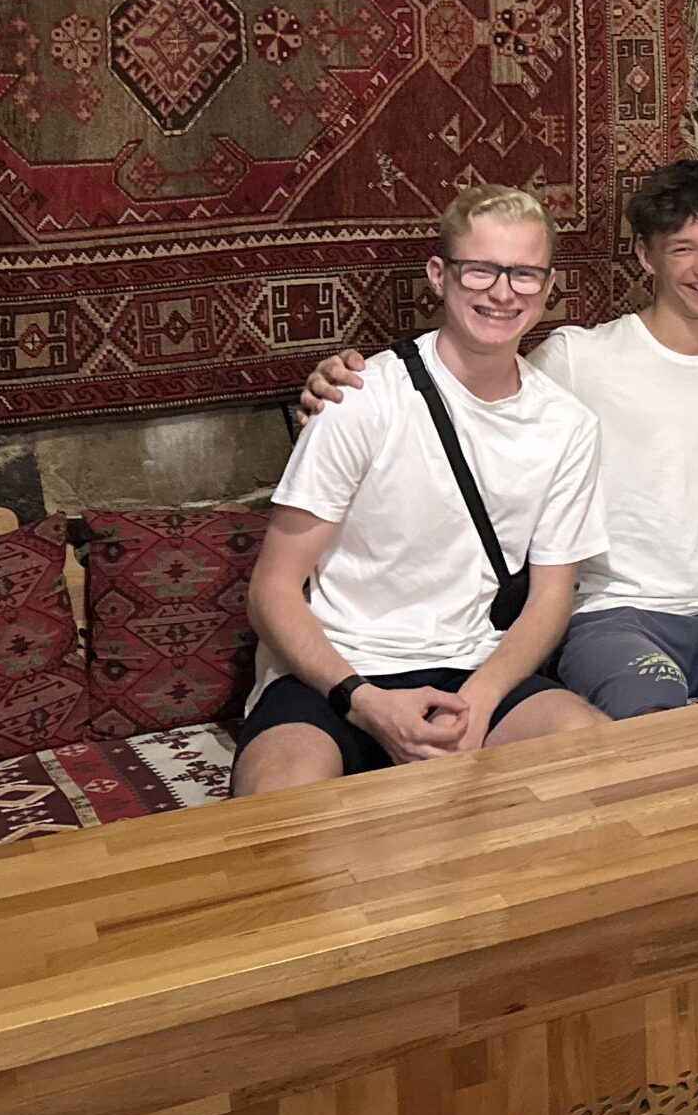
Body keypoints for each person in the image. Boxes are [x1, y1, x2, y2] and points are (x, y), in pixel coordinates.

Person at [302, 161, 698, 718]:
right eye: (683, 249)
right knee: (644, 710)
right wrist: (341, 386)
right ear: (645, 256)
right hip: (609, 613)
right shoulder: (578, 358)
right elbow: (467, 403)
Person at [235, 183, 608, 797]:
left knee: (593, 755)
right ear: (440, 275)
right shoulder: (359, 400)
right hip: (340, 670)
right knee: (279, 804)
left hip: (472, 667)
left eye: (523, 274)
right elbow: (272, 588)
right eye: (481, 269)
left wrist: (480, 702)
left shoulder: (568, 426)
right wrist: (363, 700)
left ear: (547, 287)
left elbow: (550, 599)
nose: (502, 292)